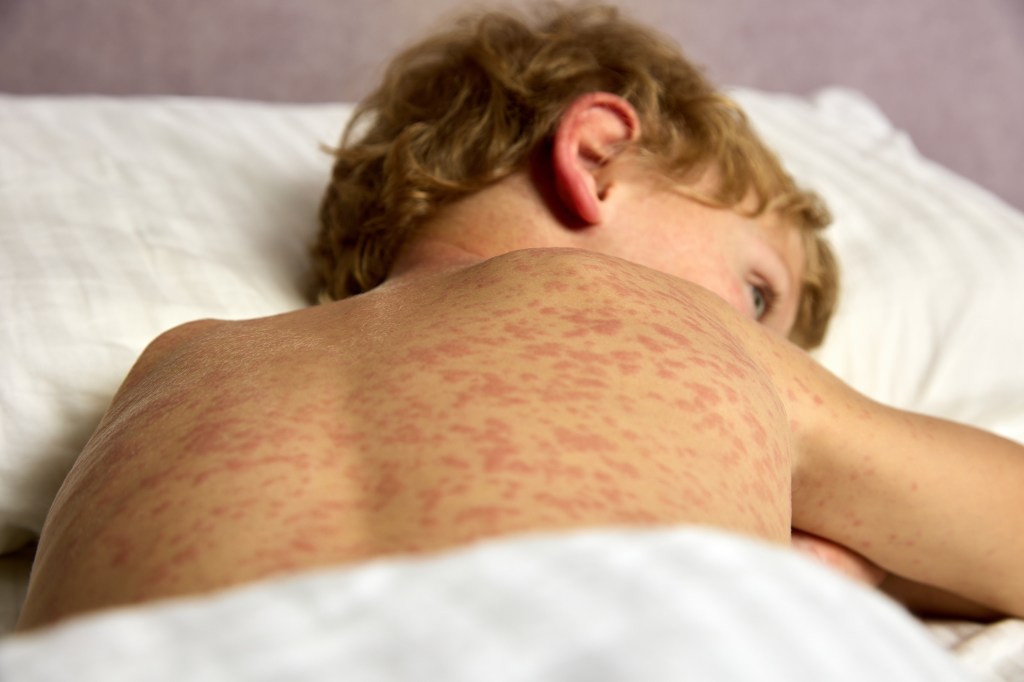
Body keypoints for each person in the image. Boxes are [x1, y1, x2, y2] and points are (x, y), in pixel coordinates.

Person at [16, 4, 1023, 631]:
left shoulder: (178, 364)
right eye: (760, 293)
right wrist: (835, 569)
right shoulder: (670, 324)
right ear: (593, 159)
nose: (764, 343)